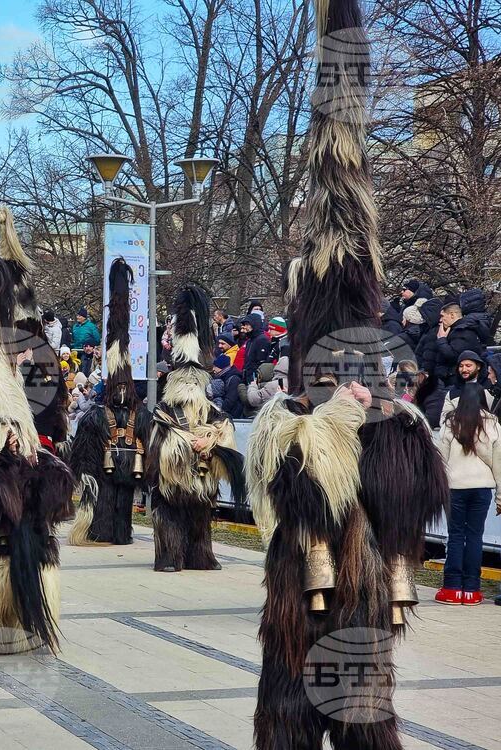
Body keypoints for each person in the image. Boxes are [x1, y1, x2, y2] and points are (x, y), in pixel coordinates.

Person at [248, 4, 448, 746]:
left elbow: (413, 505)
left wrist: (387, 420)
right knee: (291, 717)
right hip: (301, 602)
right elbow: (287, 498)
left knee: (364, 721)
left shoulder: (395, 423)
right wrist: (327, 420)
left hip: (359, 605)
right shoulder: (287, 421)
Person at [0, 204, 74, 655]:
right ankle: (9, 613)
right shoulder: (8, 354)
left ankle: (24, 611)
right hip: (12, 442)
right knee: (6, 530)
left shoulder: (33, 353)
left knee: (18, 529)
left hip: (30, 446)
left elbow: (52, 409)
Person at [147, 284, 246, 571]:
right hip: (175, 477)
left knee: (202, 514)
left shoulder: (211, 410)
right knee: (169, 512)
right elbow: (160, 443)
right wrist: (189, 442)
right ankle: (169, 556)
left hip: (201, 477)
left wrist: (209, 441)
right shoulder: (165, 411)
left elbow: (224, 430)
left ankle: (200, 555)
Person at [69, 259, 152, 546]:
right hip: (107, 468)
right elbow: (84, 449)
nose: (118, 394)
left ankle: (121, 532)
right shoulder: (97, 415)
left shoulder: (139, 415)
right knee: (106, 499)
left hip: (129, 466)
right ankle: (103, 531)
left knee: (124, 503)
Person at [435, 383, 501, 606]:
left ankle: (452, 589)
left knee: (455, 536)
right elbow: (499, 464)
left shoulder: (449, 423)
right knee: (475, 536)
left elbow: (440, 461)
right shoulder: (493, 425)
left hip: (455, 487)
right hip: (482, 489)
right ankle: (472, 590)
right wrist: (500, 496)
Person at [436, 302, 483, 386]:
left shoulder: (463, 331)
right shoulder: (457, 329)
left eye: (442, 316)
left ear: (452, 315)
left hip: (455, 380)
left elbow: (453, 355)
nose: (440, 320)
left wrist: (441, 340)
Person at [209, 353, 243, 419]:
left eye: (215, 366)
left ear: (221, 367)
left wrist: (219, 411)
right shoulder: (222, 377)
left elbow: (230, 401)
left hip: (233, 415)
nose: (213, 369)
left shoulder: (234, 379)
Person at [240, 314, 271, 384]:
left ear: (255, 324)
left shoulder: (262, 340)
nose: (245, 327)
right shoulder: (250, 340)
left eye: (248, 324)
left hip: (256, 379)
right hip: (248, 376)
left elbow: (262, 362)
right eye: (245, 325)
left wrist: (255, 377)